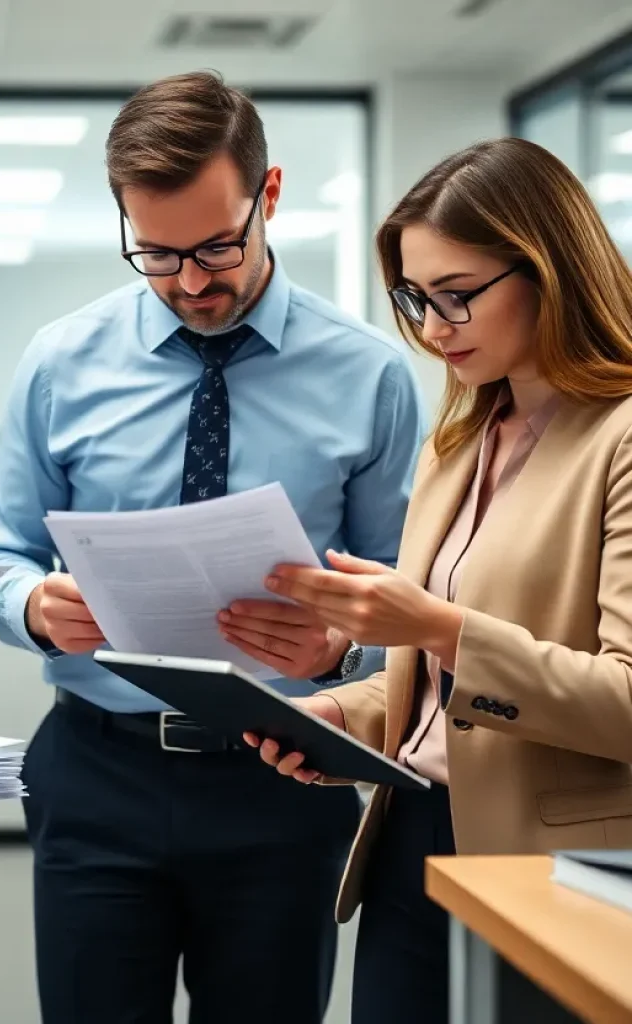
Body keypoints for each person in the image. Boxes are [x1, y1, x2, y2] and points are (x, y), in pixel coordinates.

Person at [0, 70, 425, 1024]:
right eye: (156, 253)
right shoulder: (61, 361)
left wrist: (345, 650)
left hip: (286, 777)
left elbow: (408, 600)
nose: (189, 282)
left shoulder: (369, 374)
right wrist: (34, 609)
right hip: (96, 772)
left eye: (217, 246)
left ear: (269, 196)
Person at [237, 136, 632, 1024]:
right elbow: (442, 697)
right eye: (415, 298)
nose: (430, 327)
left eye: (456, 296)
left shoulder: (622, 438)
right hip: (415, 835)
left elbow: (625, 701)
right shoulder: (460, 440)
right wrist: (348, 715)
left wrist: (437, 626)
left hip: (563, 863)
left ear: (550, 270)